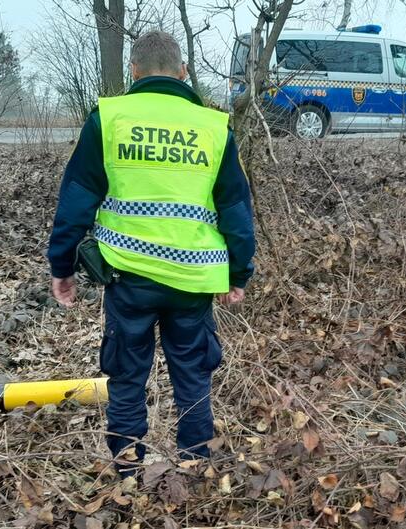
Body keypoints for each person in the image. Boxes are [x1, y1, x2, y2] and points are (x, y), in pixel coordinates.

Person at [46, 31, 255, 474]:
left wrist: (61, 265)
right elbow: (235, 208)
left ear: (134, 72)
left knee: (126, 377)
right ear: (182, 72)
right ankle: (196, 466)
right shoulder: (213, 126)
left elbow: (77, 197)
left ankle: (127, 472)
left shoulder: (110, 117)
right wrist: (239, 272)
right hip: (193, 281)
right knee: (192, 374)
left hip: (129, 277)